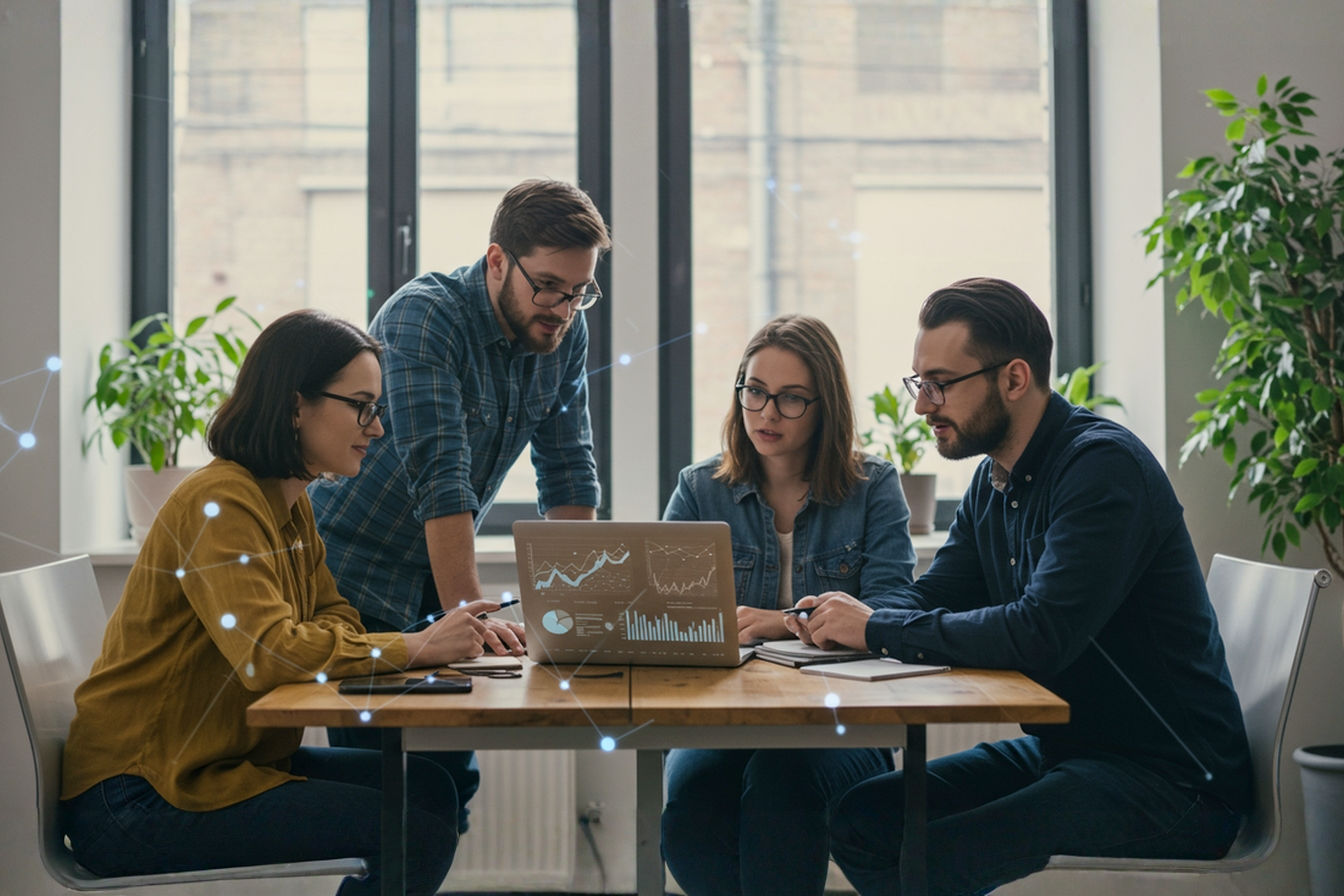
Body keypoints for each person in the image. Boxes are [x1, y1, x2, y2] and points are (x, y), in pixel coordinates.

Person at [785, 278, 1252, 896]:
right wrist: (844, 618)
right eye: (919, 383)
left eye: (941, 384)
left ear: (1014, 378)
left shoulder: (1100, 469)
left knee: (932, 856)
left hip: (1171, 780)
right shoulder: (995, 478)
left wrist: (875, 628)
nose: (922, 406)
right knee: (863, 819)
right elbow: (937, 593)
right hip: (1069, 753)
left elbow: (1040, 634)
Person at [59, 310, 519, 896]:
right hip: (139, 794)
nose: (376, 429)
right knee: (416, 829)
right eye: (361, 405)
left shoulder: (291, 505)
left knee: (428, 788)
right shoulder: (220, 503)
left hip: (216, 764)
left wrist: (353, 642)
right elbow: (267, 653)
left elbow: (334, 615)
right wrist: (414, 646)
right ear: (296, 405)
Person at [309, 178, 611, 813]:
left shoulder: (561, 333)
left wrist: (576, 614)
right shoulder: (425, 316)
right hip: (352, 578)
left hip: (428, 573)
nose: (561, 307)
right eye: (549, 286)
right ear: (498, 260)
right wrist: (471, 619)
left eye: (579, 292)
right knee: (389, 794)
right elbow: (441, 478)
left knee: (449, 786)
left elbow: (568, 468)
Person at [659, 314, 917, 896]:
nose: (767, 413)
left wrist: (780, 623)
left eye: (791, 399)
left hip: (842, 721)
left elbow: (892, 608)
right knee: (690, 817)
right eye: (754, 392)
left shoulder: (871, 487)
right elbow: (668, 616)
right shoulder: (700, 489)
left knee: (780, 795)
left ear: (825, 404)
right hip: (718, 719)